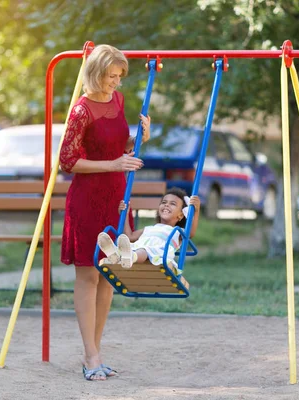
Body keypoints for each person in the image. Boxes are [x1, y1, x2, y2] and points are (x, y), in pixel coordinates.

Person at [59, 44, 151, 381]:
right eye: (111, 76)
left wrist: (137, 139)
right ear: (96, 73)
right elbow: (67, 161)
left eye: (119, 77)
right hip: (87, 199)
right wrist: (114, 163)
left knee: (109, 272)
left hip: (116, 197)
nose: (115, 82)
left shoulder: (118, 101)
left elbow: (116, 146)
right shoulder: (81, 111)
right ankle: (91, 354)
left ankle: (93, 352)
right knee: (88, 274)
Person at [97, 188, 200, 281]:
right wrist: (125, 215)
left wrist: (196, 211)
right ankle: (116, 254)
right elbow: (130, 236)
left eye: (173, 204)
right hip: (140, 249)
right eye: (164, 202)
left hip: (159, 255)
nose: (167, 205)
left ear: (181, 215)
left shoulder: (178, 232)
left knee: (144, 250)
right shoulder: (149, 229)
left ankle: (131, 256)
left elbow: (190, 233)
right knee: (131, 246)